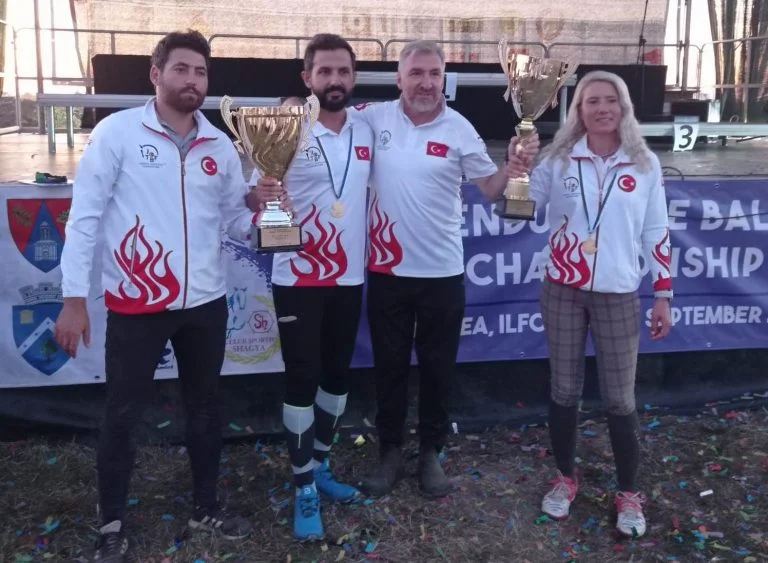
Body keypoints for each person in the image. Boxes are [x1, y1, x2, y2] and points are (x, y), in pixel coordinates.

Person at [54, 30, 254, 562]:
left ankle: (206, 507)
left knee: (205, 408)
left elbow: (235, 222)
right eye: (182, 69)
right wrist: (74, 298)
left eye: (201, 72)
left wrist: (267, 216)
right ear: (156, 74)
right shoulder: (117, 133)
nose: (192, 80)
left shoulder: (219, 145)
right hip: (136, 303)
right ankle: (111, 525)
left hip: (205, 302)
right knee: (122, 414)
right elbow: (85, 219)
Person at [352, 40, 537, 498]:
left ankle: (431, 450)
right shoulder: (372, 119)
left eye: (434, 74)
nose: (426, 83)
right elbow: (326, 123)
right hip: (387, 271)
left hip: (442, 273)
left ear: (444, 80)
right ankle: (390, 450)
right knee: (390, 368)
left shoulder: (459, 127)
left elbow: (491, 189)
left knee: (437, 368)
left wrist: (513, 166)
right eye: (416, 73)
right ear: (399, 78)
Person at [508, 70, 673, 538]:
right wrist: (518, 171)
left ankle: (629, 492)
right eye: (591, 101)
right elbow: (524, 209)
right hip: (562, 288)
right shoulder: (559, 160)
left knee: (620, 398)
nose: (602, 108)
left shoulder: (644, 163)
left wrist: (663, 293)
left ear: (624, 107)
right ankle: (565, 477)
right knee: (565, 390)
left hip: (618, 292)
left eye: (610, 100)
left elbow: (656, 230)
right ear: (578, 111)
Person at [246, 33, 373, 542]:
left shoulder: (367, 127)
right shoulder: (286, 126)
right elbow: (252, 196)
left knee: (337, 376)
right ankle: (302, 487)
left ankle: (319, 466)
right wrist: (261, 194)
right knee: (302, 376)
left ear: (354, 76)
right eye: (324, 72)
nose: (334, 80)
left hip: (349, 275)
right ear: (307, 77)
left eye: (343, 71)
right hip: (297, 275)